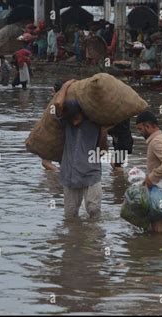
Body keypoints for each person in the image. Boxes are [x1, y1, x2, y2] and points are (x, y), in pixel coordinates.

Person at [53, 80, 110, 219]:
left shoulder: (95, 124)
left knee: (94, 210)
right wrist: (65, 85)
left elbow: (103, 151)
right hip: (70, 174)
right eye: (71, 118)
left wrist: (103, 133)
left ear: (82, 113)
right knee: (70, 215)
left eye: (76, 117)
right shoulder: (66, 123)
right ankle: (74, 238)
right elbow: (58, 104)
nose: (74, 122)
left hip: (91, 173)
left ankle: (95, 238)